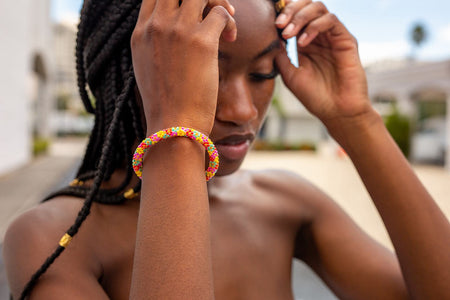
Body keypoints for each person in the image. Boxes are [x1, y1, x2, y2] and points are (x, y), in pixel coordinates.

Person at [3, 0, 450, 299]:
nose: (241, 110)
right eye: (206, 74)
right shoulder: (55, 237)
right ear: (134, 71)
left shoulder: (285, 202)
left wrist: (357, 121)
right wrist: (178, 133)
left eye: (262, 73)